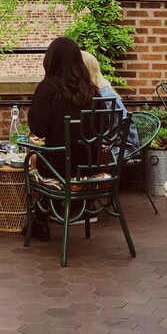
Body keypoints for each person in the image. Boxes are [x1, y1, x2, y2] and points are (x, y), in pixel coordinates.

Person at [27, 36, 98, 240]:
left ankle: (40, 219)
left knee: (33, 158)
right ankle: (49, 214)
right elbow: (102, 128)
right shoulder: (92, 91)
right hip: (90, 166)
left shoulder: (47, 88)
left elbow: (38, 129)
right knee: (50, 158)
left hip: (58, 167)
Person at [80, 51, 140, 154]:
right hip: (110, 147)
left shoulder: (104, 95)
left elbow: (126, 134)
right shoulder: (98, 91)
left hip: (119, 150)